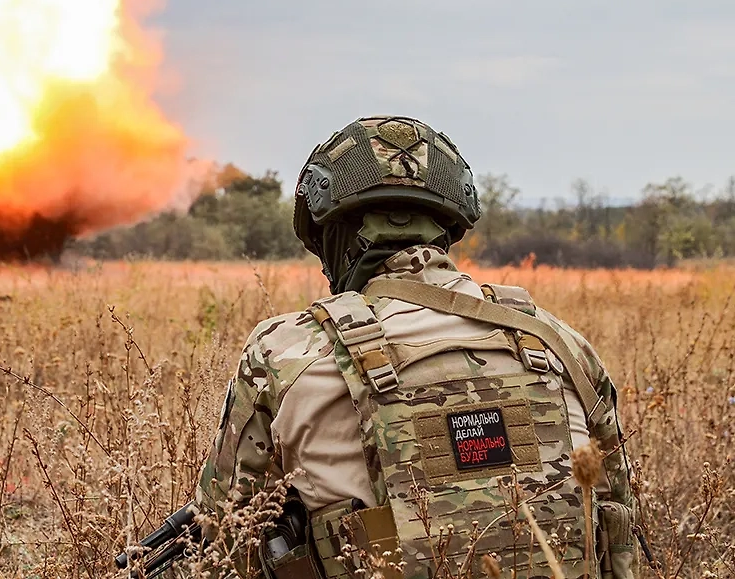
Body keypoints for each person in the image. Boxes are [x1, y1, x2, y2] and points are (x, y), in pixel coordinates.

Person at [195, 116, 638, 579]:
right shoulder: (557, 339)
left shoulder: (284, 352)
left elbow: (224, 534)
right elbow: (615, 522)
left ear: (333, 238)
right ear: (447, 226)